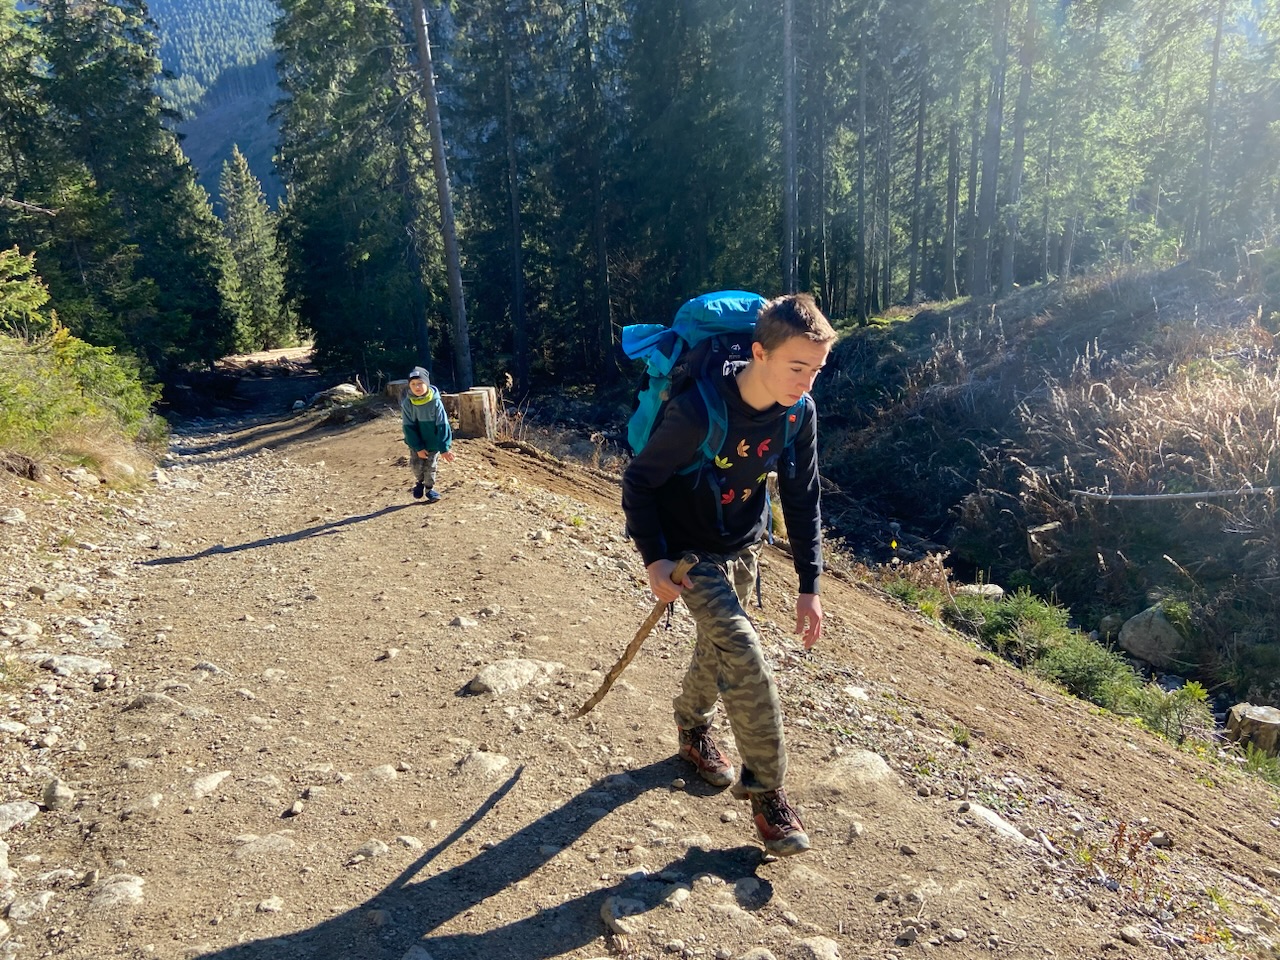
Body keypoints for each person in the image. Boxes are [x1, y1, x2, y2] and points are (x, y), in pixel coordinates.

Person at [621, 293, 836, 857]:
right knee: (743, 651)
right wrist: (655, 559)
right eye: (797, 367)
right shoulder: (699, 410)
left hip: (743, 544)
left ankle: (691, 729)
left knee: (716, 649)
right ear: (759, 353)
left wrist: (810, 585)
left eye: (816, 370)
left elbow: (803, 497)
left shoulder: (799, 413)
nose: (806, 383)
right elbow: (639, 481)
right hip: (689, 555)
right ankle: (768, 793)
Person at [401, 366, 454, 502]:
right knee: (416, 466)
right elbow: (408, 427)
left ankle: (430, 489)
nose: (417, 387)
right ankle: (419, 482)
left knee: (431, 467)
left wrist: (444, 448)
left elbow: (443, 425)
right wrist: (418, 447)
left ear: (427, 383)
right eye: (413, 384)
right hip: (416, 443)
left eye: (420, 383)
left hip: (433, 443)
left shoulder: (435, 402)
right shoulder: (408, 404)